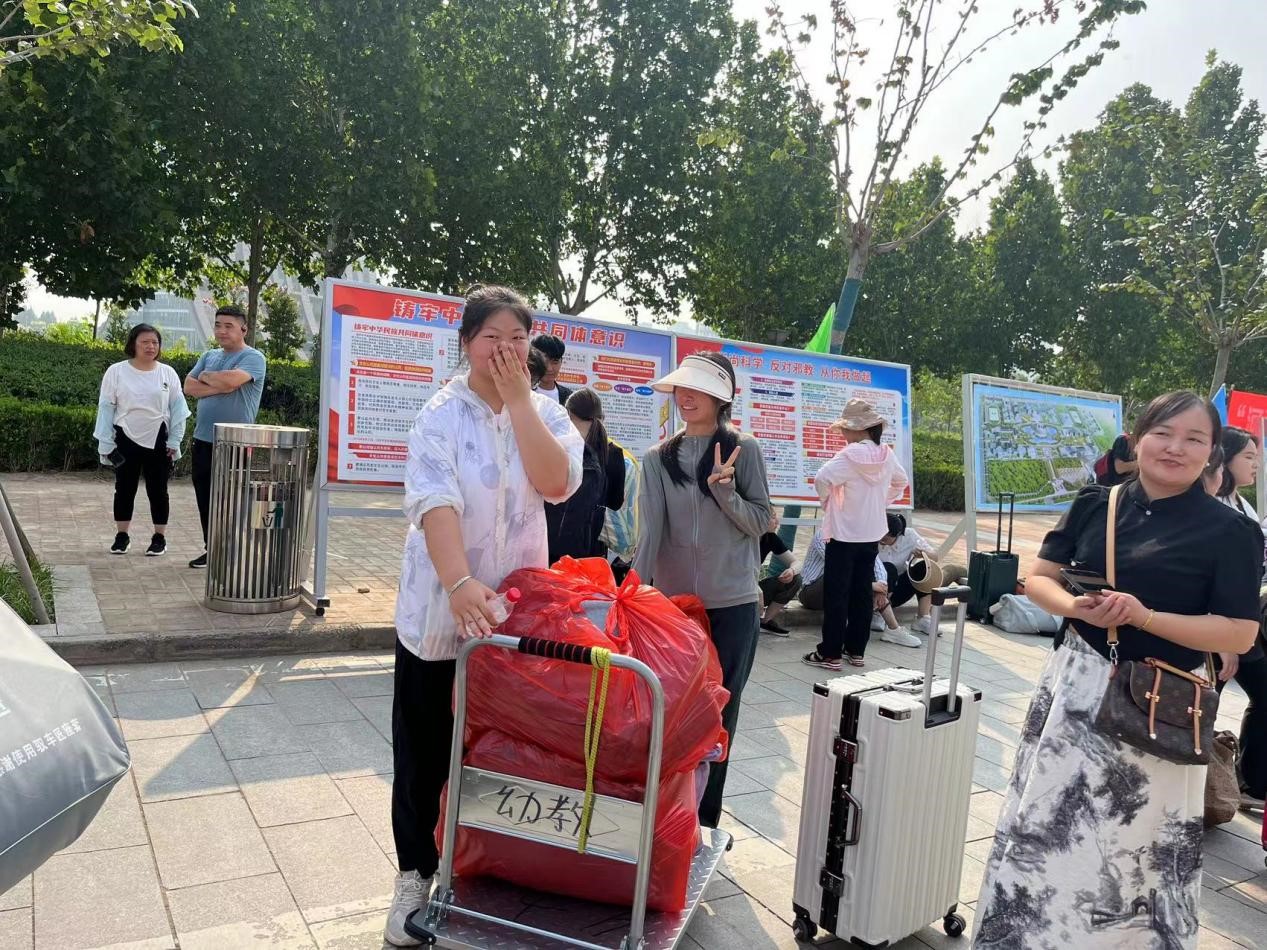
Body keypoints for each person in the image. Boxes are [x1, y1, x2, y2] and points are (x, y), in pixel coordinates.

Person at [974, 391, 1261, 949]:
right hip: (1072, 689)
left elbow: (1239, 633)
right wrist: (1074, 606)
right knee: (1046, 830)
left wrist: (1144, 615)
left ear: (1212, 454)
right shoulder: (1095, 503)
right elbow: (1039, 578)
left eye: (1194, 439)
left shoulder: (1231, 532)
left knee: (1134, 849)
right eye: (1163, 433)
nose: (1175, 448)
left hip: (1157, 705)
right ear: (1136, 438)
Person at [385, 285, 584, 947]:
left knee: (503, 748)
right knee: (425, 753)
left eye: (517, 338)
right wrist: (458, 581)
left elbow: (557, 484)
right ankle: (415, 874)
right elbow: (433, 501)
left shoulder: (547, 412)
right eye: (491, 337)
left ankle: (485, 870)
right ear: (466, 342)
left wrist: (522, 402)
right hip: (441, 616)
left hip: (515, 621)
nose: (504, 349)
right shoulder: (440, 414)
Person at [633, 351, 771, 829]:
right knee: (669, 709)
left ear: (722, 396)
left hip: (733, 604)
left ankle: (703, 823)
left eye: (699, 389)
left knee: (719, 714)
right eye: (681, 387)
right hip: (676, 608)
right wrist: (632, 594)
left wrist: (725, 492)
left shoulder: (743, 449)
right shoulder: (657, 458)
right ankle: (665, 816)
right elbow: (651, 532)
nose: (686, 396)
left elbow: (760, 522)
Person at [803, 399, 909, 671]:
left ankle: (830, 654)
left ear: (857, 429)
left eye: (845, 429)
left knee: (837, 594)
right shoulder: (886, 454)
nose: (843, 434)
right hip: (870, 534)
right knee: (862, 592)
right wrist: (880, 501)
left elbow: (822, 479)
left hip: (843, 534)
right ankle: (856, 650)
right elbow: (901, 482)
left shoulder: (849, 455)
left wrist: (830, 503)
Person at [93, 324, 190, 557]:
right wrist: (106, 442)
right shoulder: (116, 371)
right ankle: (122, 536)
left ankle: (159, 538)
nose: (150, 346)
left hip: (158, 438)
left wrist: (174, 440)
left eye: (155, 342)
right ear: (133, 344)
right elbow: (106, 407)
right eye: (145, 342)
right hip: (125, 437)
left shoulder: (167, 373)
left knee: (159, 490)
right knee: (124, 489)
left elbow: (178, 409)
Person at [183, 305, 267, 568]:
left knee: (232, 498)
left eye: (228, 326)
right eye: (218, 325)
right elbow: (189, 387)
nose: (221, 331)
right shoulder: (209, 355)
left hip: (236, 442)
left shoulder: (253, 357)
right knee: (206, 496)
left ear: (244, 329)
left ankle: (235, 550)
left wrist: (207, 378)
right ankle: (213, 549)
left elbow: (231, 382)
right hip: (203, 439)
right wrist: (219, 384)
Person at [1213, 425, 1267, 811]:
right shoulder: (1213, 506)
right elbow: (1216, 580)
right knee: (1203, 704)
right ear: (1225, 458)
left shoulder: (1241, 504)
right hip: (1221, 629)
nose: (1256, 464)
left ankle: (1249, 782)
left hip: (1244, 625)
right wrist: (1224, 642)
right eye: (1248, 456)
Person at [545, 387, 626, 562]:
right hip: (589, 549)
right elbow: (615, 502)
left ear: (568, 414)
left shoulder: (558, 446)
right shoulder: (613, 453)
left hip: (548, 545)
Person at [757, 512, 802, 636]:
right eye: (772, 517)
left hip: (755, 590)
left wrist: (791, 571)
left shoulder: (770, 537)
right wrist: (756, 589)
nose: (777, 521)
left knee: (795, 579)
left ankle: (765, 622)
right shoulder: (742, 538)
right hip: (738, 589)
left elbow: (797, 563)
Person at [530, 333, 574, 405]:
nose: (549, 368)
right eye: (545, 362)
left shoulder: (569, 397)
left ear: (561, 362)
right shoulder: (522, 391)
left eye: (555, 362)